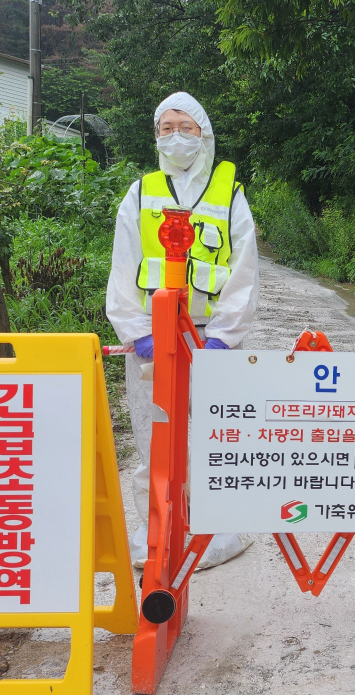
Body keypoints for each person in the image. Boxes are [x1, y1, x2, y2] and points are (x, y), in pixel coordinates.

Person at [106, 92, 258, 569]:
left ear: (203, 134)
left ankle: (214, 531)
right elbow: (123, 267)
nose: (175, 136)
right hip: (155, 338)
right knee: (154, 435)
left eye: (185, 127)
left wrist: (224, 338)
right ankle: (156, 532)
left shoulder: (229, 191)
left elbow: (243, 269)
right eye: (165, 127)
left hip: (210, 336)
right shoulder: (141, 191)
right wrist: (138, 332)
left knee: (212, 437)